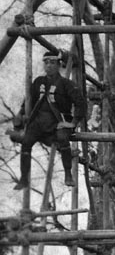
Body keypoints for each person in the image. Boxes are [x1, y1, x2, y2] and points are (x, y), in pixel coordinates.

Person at [9, 50, 86, 189]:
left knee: (63, 138)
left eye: (52, 62)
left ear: (58, 64)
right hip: (38, 122)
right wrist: (20, 114)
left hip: (58, 121)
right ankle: (24, 178)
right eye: (46, 63)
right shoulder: (39, 82)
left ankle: (68, 174)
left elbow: (81, 103)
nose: (49, 66)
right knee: (26, 142)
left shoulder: (66, 84)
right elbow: (29, 100)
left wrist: (73, 122)